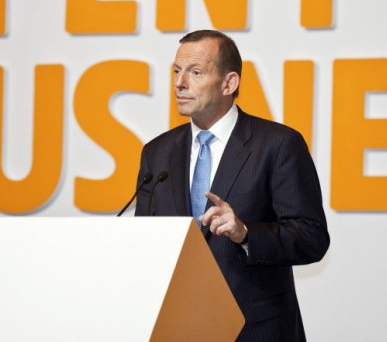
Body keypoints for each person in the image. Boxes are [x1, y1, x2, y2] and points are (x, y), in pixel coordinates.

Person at [135, 29, 329, 341]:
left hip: (255, 330)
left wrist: (246, 234)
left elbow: (312, 237)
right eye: (176, 71)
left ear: (229, 83)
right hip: (178, 329)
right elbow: (144, 241)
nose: (179, 83)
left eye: (195, 72)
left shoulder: (278, 145)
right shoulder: (157, 153)